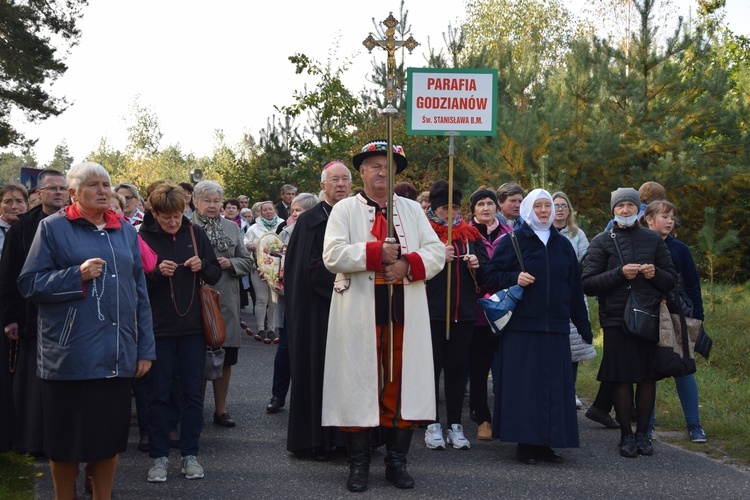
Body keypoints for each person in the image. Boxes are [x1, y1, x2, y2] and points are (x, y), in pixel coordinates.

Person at [17, 162, 155, 499]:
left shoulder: (124, 230)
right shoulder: (52, 228)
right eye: (93, 185)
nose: (103, 191)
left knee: (108, 440)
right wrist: (73, 275)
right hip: (69, 356)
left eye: (106, 184)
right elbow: (29, 284)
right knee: (65, 442)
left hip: (116, 354)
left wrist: (145, 349)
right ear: (74, 194)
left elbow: (140, 294)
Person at [322, 140, 444, 491]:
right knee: (359, 384)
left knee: (399, 384)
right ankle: (358, 464)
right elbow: (333, 255)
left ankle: (396, 462)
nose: (380, 171)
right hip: (359, 311)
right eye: (373, 165)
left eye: (386, 166)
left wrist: (407, 264)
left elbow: (435, 250)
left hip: (403, 310)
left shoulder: (410, 209)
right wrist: (375, 253)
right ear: (361, 172)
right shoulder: (344, 210)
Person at [483, 188, 593, 465]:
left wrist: (583, 325)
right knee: (525, 389)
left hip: (555, 326)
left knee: (553, 389)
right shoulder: (514, 241)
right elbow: (490, 275)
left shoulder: (564, 245)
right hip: (522, 326)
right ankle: (526, 444)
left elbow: (574, 288)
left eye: (548, 206)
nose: (545, 211)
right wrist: (514, 277)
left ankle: (547, 443)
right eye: (539, 206)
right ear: (528, 210)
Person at [581, 187, 677, 458]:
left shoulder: (653, 240)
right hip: (615, 319)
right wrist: (620, 274)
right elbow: (587, 282)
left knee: (647, 377)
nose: (625, 210)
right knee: (622, 378)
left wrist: (655, 273)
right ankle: (626, 436)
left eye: (630, 206)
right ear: (613, 210)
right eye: (620, 206)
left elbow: (671, 279)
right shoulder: (601, 241)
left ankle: (644, 435)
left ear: (639, 209)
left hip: (647, 316)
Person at [137, 182, 221, 482]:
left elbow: (215, 273)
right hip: (158, 329)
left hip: (194, 329)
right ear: (154, 213)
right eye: (165, 217)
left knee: (192, 395)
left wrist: (203, 267)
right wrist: (157, 274)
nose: (173, 222)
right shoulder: (142, 237)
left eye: (177, 215)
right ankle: (158, 457)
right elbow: (136, 285)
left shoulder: (195, 234)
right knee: (158, 395)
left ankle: (190, 454)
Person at [285, 162, 352, 459]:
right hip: (319, 311)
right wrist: (346, 283)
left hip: (355, 310)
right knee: (319, 372)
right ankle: (317, 440)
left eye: (345, 179)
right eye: (334, 179)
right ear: (323, 185)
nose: (340, 184)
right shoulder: (310, 220)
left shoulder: (358, 215)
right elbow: (308, 268)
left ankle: (353, 439)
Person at [1, 171, 66, 458]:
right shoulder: (24, 227)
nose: (59, 193)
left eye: (63, 188)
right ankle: (32, 442)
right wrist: (10, 317)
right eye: (52, 188)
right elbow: (9, 275)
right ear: (39, 193)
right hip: (31, 316)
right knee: (32, 384)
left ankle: (64, 439)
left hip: (68, 317)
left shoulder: (75, 222)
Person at [424, 180, 487, 451]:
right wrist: (438, 256)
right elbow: (413, 266)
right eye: (444, 208)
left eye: (454, 207)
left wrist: (477, 264)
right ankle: (432, 423)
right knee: (431, 369)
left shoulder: (470, 234)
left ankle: (455, 424)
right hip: (431, 312)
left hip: (463, 313)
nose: (449, 213)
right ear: (435, 209)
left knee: (456, 370)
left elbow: (486, 273)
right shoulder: (423, 233)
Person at [642, 200, 707, 442]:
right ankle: (647, 425)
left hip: (678, 314)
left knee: (684, 368)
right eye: (664, 217)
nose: (670, 221)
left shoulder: (680, 249)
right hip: (648, 315)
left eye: (672, 218)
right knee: (649, 370)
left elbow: (692, 285)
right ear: (649, 219)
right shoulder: (638, 244)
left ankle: (694, 424)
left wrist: (697, 316)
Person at [192, 181, 254, 428]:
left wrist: (231, 264)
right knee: (197, 358)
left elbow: (247, 261)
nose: (212, 205)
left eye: (216, 201)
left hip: (227, 298)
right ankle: (196, 409)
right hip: (197, 298)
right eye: (207, 201)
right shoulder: (187, 226)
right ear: (195, 202)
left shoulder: (231, 226)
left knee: (225, 356)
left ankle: (221, 410)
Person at [265, 192, 319, 415]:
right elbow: (273, 261)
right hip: (290, 300)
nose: (295, 214)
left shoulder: (321, 232)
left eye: (300, 210)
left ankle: (308, 399)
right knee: (285, 348)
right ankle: (278, 395)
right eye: (293, 210)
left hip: (315, 298)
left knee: (312, 350)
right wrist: (268, 273)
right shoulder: (284, 233)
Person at [467, 188, 506, 440]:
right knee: (479, 367)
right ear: (473, 210)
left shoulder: (510, 235)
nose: (485, 208)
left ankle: (507, 416)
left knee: (505, 367)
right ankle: (482, 416)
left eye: (490, 203)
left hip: (504, 310)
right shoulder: (466, 236)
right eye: (480, 204)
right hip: (478, 311)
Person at [551, 191, 596, 410]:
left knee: (574, 350)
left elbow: (585, 261)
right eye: (555, 205)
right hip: (552, 296)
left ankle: (571, 390)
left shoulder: (578, 234)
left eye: (563, 205)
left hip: (573, 293)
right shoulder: (542, 232)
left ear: (569, 210)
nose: (559, 209)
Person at [244, 200, 284, 342]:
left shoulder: (282, 225)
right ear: (260, 212)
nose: (268, 212)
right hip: (258, 267)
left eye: (270, 209)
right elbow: (245, 243)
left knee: (274, 300)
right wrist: (250, 245)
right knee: (261, 299)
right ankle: (261, 328)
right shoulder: (254, 228)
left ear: (275, 211)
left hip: (277, 268)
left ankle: (272, 329)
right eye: (265, 210)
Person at [0, 183, 28, 248]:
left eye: (19, 201)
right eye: (7, 202)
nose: (14, 206)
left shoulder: (37, 228)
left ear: (27, 205)